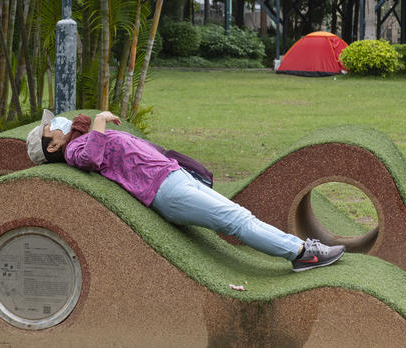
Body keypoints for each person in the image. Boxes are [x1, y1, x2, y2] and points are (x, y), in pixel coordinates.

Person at [27, 110, 346, 272]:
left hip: (172, 178)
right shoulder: (73, 150)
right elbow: (92, 158)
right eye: (52, 127)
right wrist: (98, 121)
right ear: (54, 144)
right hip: (166, 191)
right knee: (237, 221)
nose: (59, 121)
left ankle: (302, 251)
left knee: (239, 216)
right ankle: (303, 253)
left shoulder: (78, 140)